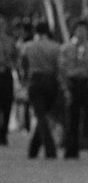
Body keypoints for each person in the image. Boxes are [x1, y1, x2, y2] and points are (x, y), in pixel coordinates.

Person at [59, 19, 88, 158]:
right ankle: (71, 151)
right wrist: (65, 86)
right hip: (73, 85)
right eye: (79, 30)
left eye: (84, 30)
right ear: (74, 31)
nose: (81, 33)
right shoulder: (66, 48)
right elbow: (61, 69)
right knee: (72, 119)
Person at [21, 21, 61, 159]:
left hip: (35, 80)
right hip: (50, 82)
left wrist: (24, 80)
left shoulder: (28, 46)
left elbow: (23, 65)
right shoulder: (55, 47)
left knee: (41, 116)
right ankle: (36, 149)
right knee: (43, 115)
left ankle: (47, 149)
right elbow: (58, 66)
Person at [0, 15, 17, 146]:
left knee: (7, 103)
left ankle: (4, 133)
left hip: (6, 73)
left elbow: (15, 58)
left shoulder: (10, 41)